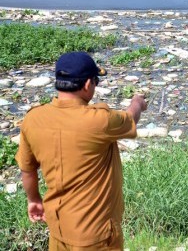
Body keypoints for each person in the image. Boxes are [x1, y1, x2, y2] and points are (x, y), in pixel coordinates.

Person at [15, 51, 147, 250]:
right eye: (96, 81)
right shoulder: (100, 121)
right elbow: (130, 119)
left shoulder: (33, 119)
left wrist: (34, 199)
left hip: (58, 228)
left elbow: (27, 169)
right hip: (96, 235)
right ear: (87, 85)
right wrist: (138, 102)